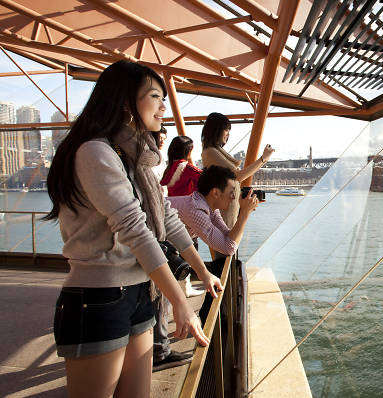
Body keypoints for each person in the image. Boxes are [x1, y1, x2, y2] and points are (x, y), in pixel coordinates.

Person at [45, 60, 222, 398]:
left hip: (139, 290)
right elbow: (134, 228)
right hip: (98, 297)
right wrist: (178, 299)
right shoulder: (95, 152)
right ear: (126, 101)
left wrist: (202, 271)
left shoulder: (135, 158)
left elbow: (166, 216)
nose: (163, 106)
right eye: (156, 97)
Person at [167, 165, 259, 323]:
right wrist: (243, 213)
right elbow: (228, 247)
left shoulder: (209, 207)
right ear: (215, 192)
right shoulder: (195, 210)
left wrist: (245, 212)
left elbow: (227, 235)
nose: (233, 198)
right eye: (231, 193)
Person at [201, 112, 273, 229]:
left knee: (230, 245)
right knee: (227, 245)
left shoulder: (214, 152)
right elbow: (237, 176)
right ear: (216, 130)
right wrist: (263, 158)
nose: (228, 134)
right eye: (226, 129)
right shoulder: (210, 152)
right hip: (224, 214)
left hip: (228, 211)